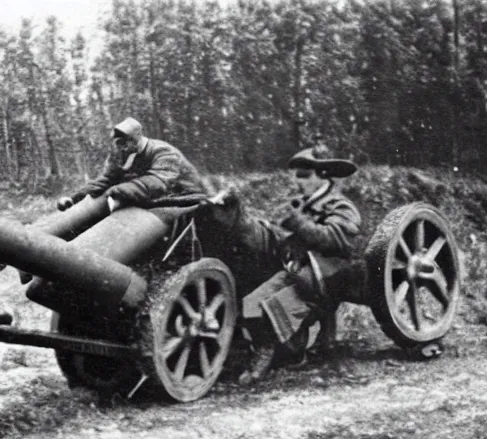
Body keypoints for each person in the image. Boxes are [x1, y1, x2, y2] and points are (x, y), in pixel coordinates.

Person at [209, 145, 363, 385]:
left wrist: (298, 223)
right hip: (298, 272)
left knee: (275, 308)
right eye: (297, 175)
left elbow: (336, 240)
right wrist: (240, 219)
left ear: (322, 176)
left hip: (326, 278)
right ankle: (274, 350)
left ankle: (278, 353)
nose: (298, 182)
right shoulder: (300, 204)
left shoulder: (340, 206)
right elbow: (282, 239)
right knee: (251, 303)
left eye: (304, 176)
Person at [58, 117, 206, 212]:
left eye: (125, 142)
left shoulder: (163, 152)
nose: (122, 147)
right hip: (153, 200)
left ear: (137, 139)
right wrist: (74, 198)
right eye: (119, 143)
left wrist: (117, 191)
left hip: (185, 200)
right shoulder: (122, 153)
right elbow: (107, 179)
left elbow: (157, 183)